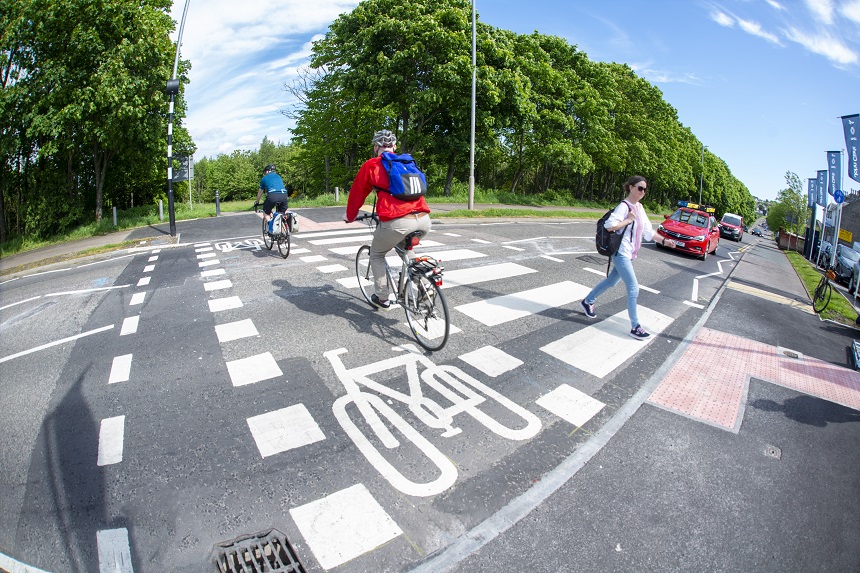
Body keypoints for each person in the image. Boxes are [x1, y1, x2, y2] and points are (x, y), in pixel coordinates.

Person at [580, 175, 676, 339]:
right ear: (631, 187)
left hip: (630, 254)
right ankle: (635, 326)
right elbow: (609, 226)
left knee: (612, 281)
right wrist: (628, 220)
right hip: (621, 253)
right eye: (639, 188)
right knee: (633, 288)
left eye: (645, 189)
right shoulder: (624, 207)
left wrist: (665, 241)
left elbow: (647, 232)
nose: (642, 192)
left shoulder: (640, 208)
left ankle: (587, 301)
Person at [344, 129, 431, 309]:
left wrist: (350, 216)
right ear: (394, 146)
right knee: (406, 250)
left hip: (397, 221)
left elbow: (357, 193)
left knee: (376, 254)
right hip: (423, 219)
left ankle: (382, 297)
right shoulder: (407, 161)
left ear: (376, 147)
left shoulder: (372, 165)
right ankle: (425, 287)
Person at [255, 164, 288, 231]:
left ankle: (271, 228)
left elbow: (260, 192)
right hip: (284, 195)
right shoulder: (279, 176)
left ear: (267, 171)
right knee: (281, 214)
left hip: (273, 195)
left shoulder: (264, 178)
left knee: (265, 212)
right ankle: (282, 234)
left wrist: (257, 202)